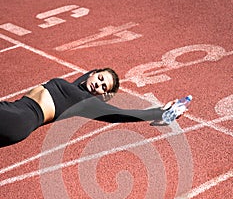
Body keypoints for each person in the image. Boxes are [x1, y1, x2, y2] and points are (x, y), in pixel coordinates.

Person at [0, 68, 186, 147]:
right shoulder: (75, 87)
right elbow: (84, 78)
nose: (98, 84)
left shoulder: (84, 102)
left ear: (103, 95)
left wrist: (160, 112)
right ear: (93, 73)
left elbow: (118, 114)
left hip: (19, 119)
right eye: (100, 78)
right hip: (11, 109)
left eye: (104, 87)